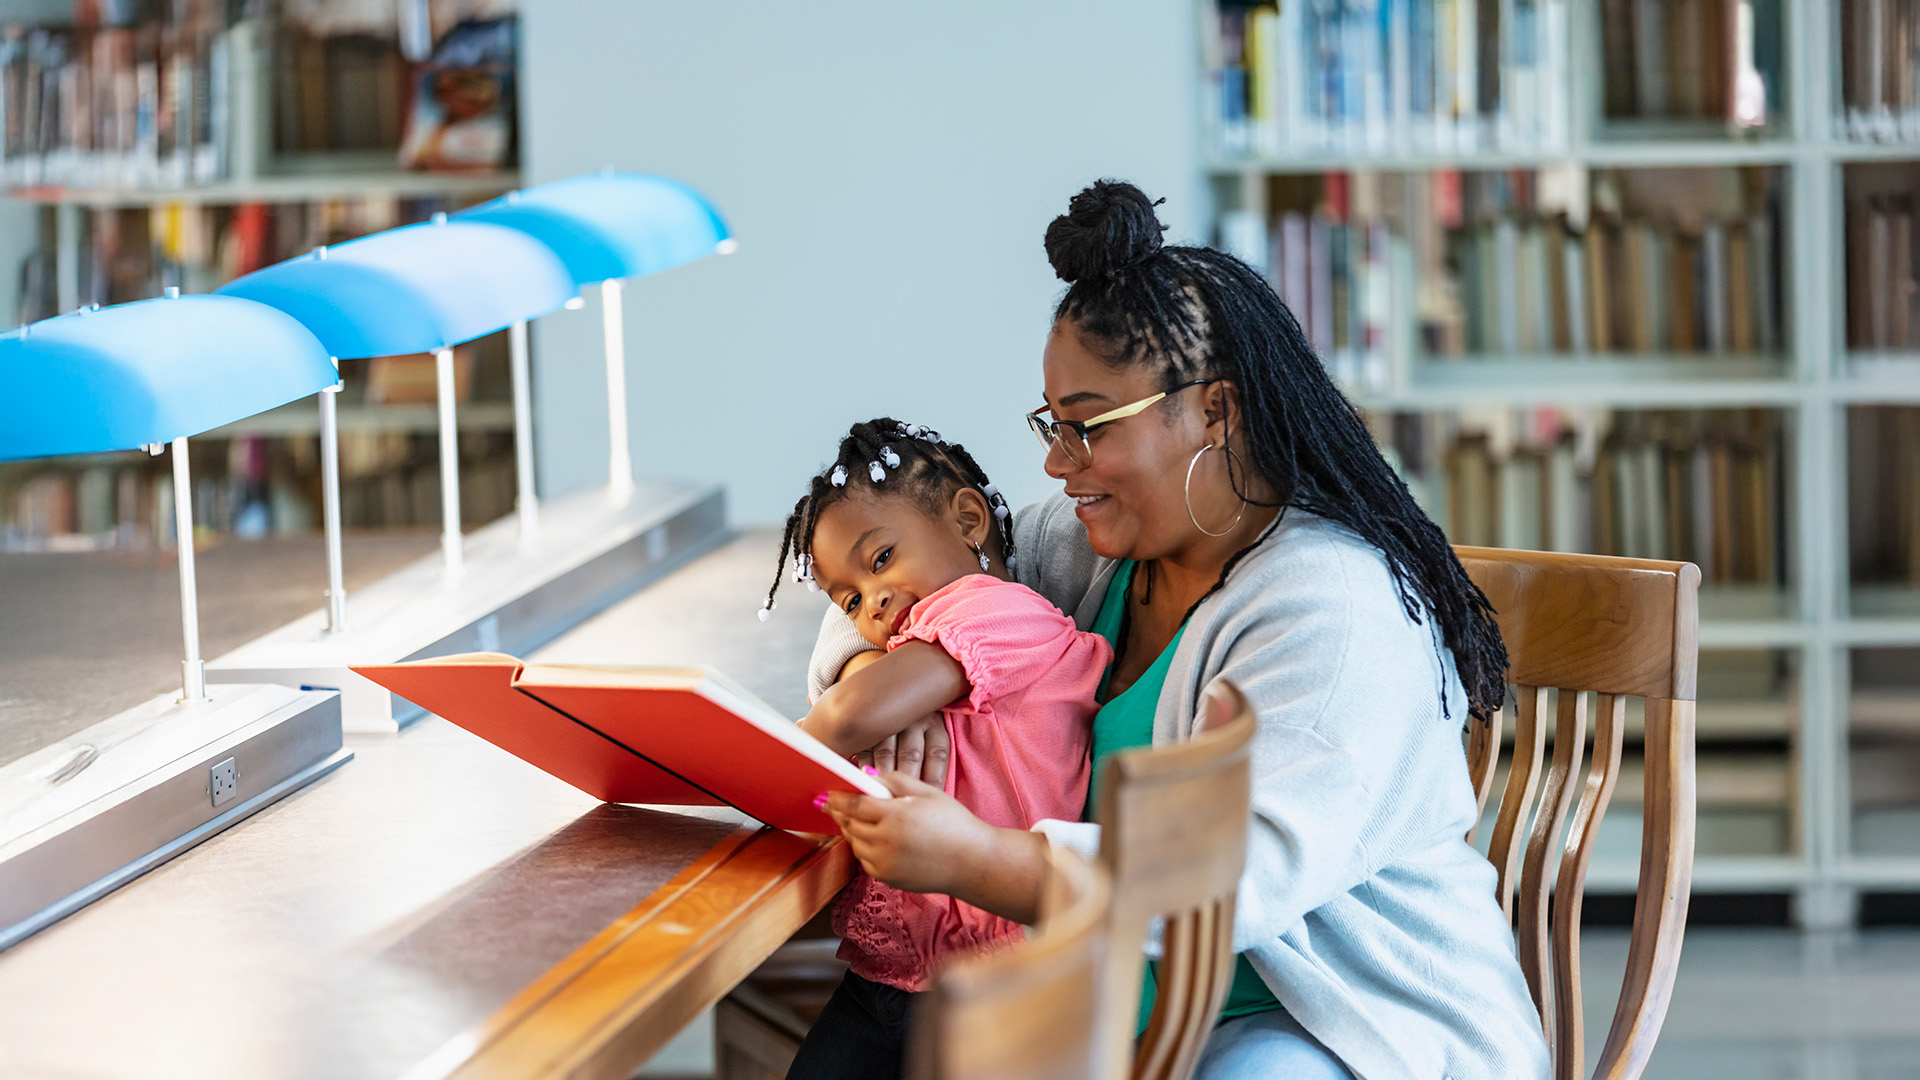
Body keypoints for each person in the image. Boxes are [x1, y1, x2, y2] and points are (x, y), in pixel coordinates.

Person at [813, 181, 1552, 1080]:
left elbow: (1227, 882)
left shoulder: (1335, 609)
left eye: (1088, 428)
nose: (1055, 463)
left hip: (1331, 1023)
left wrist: (983, 862)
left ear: (1216, 410)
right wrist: (909, 670)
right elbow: (884, 586)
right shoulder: (1089, 551)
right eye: (1053, 425)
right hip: (1114, 1015)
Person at [766, 417, 1112, 1080]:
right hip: (892, 976)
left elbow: (846, 717)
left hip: (1001, 982)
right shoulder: (912, 648)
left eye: (881, 559)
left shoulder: (1002, 613)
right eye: (851, 598)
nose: (875, 601)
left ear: (968, 520)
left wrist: (743, 772)